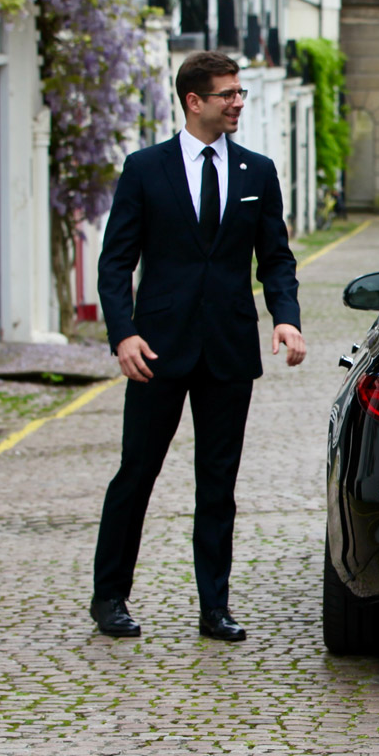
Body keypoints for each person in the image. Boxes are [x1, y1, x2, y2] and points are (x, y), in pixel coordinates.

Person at [89, 51, 307, 641]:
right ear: (194, 101)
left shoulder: (257, 173)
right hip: (156, 349)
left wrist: (284, 318)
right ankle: (109, 596)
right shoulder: (144, 169)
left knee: (219, 484)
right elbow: (115, 264)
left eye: (240, 93)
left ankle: (215, 607)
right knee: (136, 473)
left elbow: (276, 260)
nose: (238, 102)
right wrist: (123, 334)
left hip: (228, 350)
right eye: (227, 94)